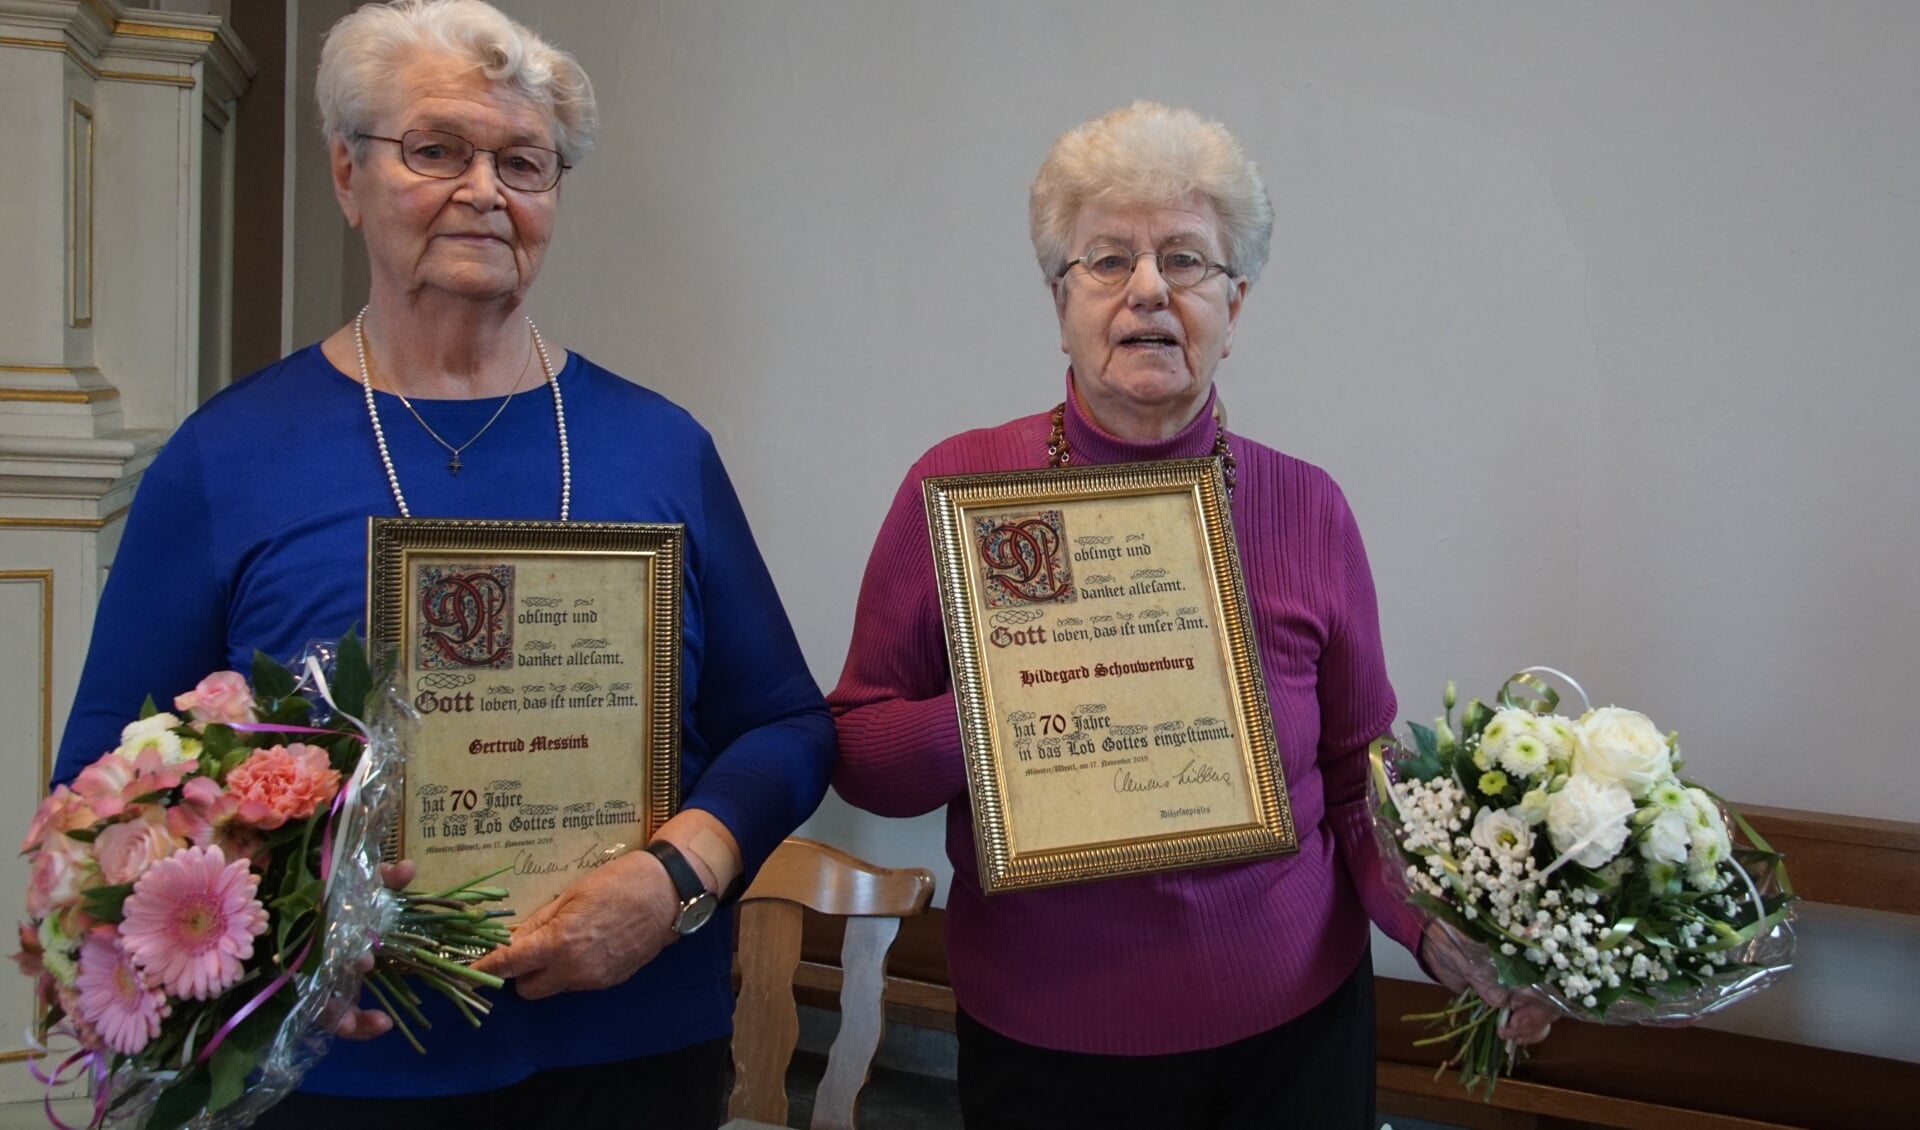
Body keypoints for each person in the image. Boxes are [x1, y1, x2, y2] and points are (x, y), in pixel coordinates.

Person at [52, 2, 833, 1126]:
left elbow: (785, 724)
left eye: (524, 160)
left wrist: (673, 881)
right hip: (342, 1073)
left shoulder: (660, 446)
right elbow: (100, 781)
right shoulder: (228, 459)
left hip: (630, 1047)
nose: (484, 190)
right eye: (435, 149)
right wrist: (292, 928)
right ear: (346, 172)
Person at [828, 102, 1552, 1129]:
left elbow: (1355, 778)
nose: (1149, 290)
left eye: (1187, 260)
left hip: (1294, 1033)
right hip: (1049, 1042)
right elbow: (858, 746)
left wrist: (1434, 932)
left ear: (1237, 301)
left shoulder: (1307, 507)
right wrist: (1007, 707)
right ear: (1059, 296)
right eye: (1108, 258)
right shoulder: (960, 490)